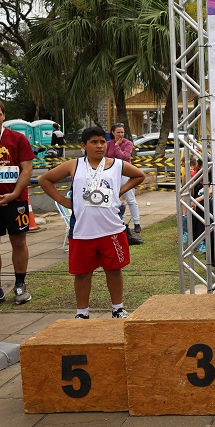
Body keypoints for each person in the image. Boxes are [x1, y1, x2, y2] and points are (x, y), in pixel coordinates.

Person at [38, 126, 145, 319]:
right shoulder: (74, 165)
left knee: (114, 270)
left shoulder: (116, 164)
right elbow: (44, 180)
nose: (99, 146)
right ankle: (82, 313)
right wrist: (64, 201)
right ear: (84, 145)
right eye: (94, 142)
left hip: (111, 228)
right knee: (82, 273)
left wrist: (119, 191)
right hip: (82, 230)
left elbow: (139, 175)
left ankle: (118, 308)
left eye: (102, 142)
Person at [0, 98, 35, 309]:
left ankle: (20, 285)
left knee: (19, 242)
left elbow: (27, 169)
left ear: (4, 115)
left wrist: (14, 194)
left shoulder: (17, 138)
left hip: (16, 200)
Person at [105, 123, 141, 233]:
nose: (120, 134)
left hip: (125, 172)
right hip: (112, 173)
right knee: (115, 199)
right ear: (113, 133)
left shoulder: (128, 143)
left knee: (130, 198)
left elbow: (124, 157)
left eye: (122, 132)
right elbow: (105, 157)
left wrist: (117, 146)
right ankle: (120, 222)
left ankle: (137, 223)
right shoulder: (108, 144)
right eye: (118, 132)